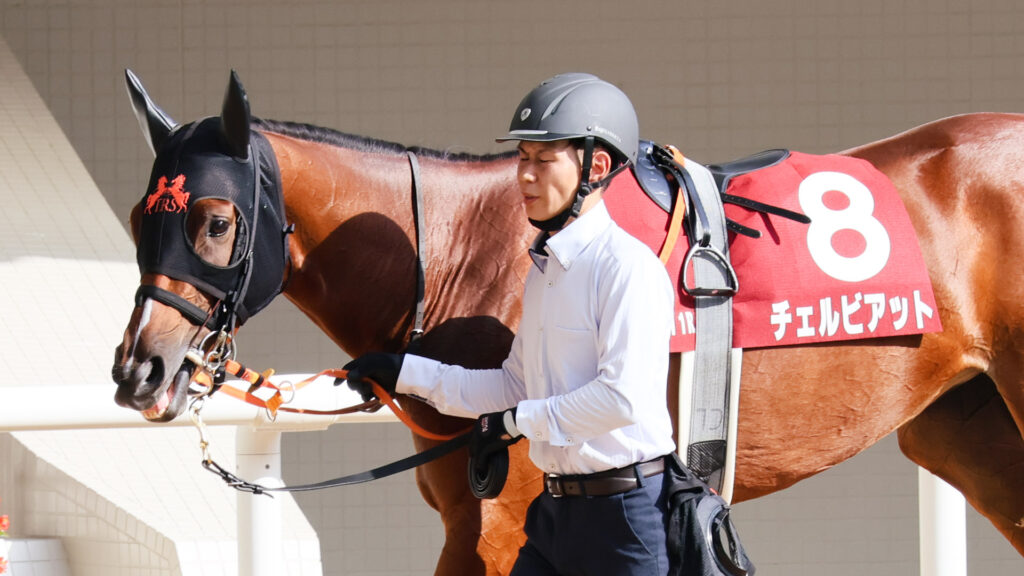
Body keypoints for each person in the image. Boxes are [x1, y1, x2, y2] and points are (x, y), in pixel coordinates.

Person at [343, 72, 677, 575]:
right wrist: (403, 373)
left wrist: (516, 422)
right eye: (522, 158)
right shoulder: (544, 272)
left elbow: (622, 398)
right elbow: (513, 385)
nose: (524, 174)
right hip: (554, 514)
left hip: (624, 519)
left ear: (598, 165)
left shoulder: (627, 269)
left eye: (543, 160)